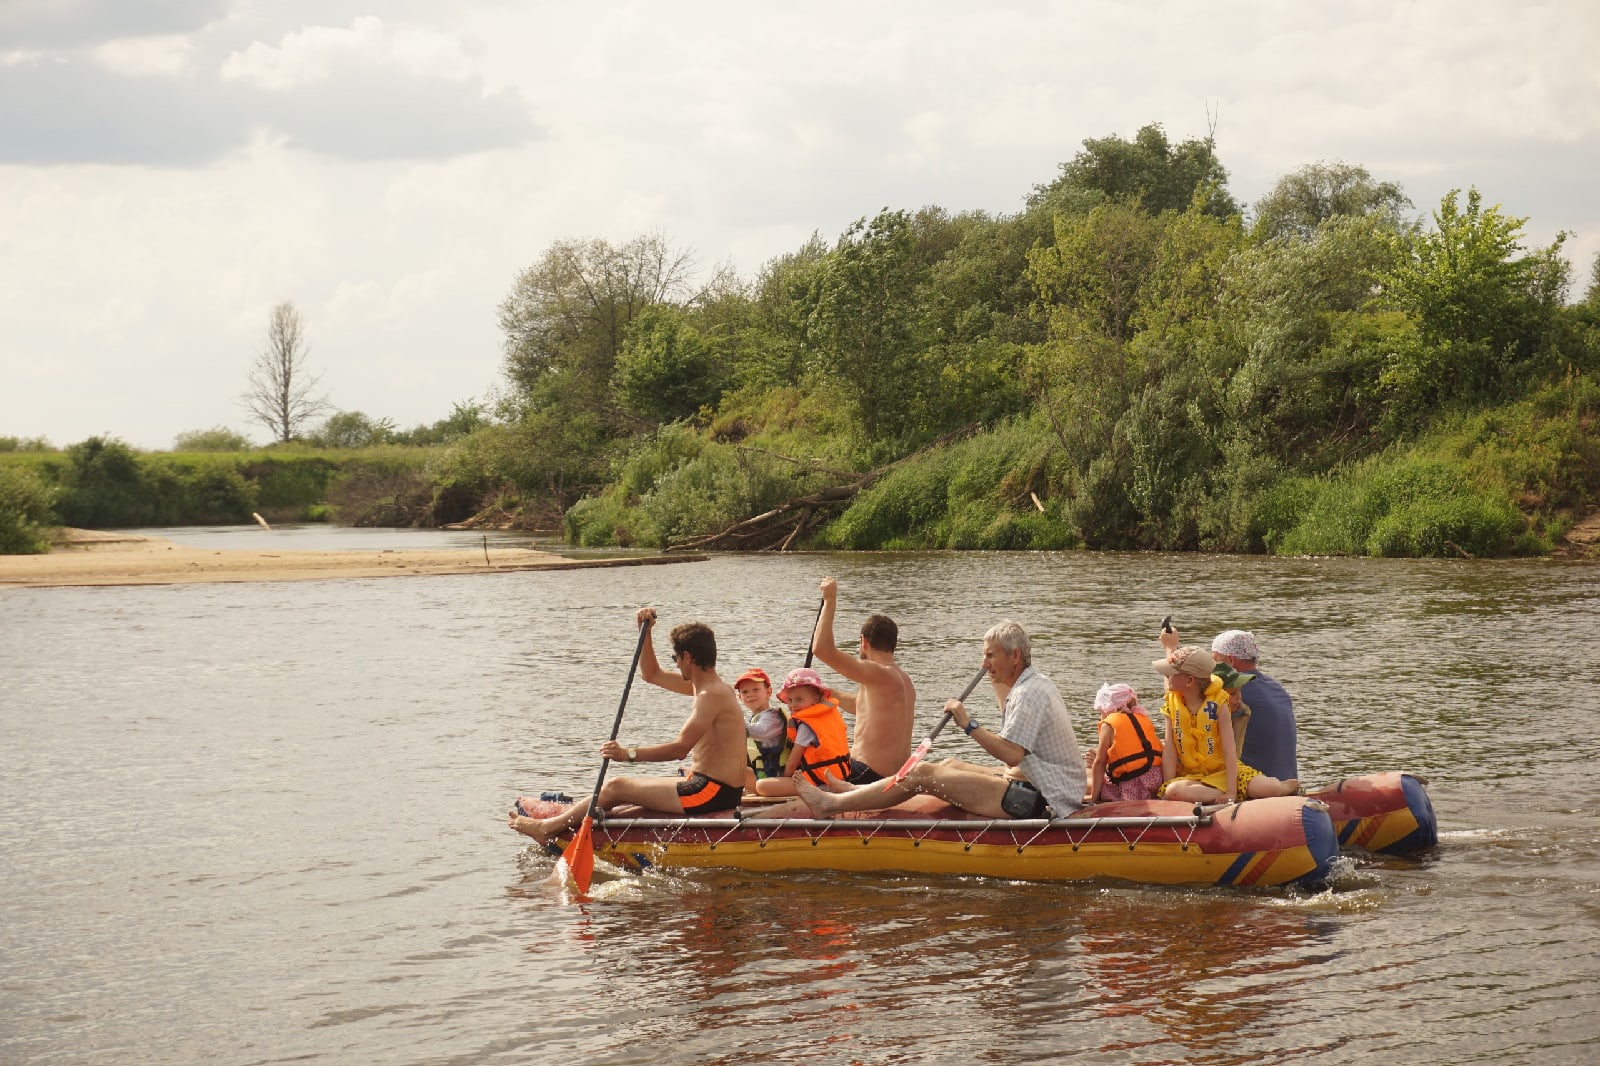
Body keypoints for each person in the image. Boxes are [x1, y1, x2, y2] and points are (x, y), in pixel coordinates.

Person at [778, 620, 1086, 822]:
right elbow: (1015, 743)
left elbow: (1011, 754)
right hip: (1039, 784)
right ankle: (851, 792)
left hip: (1042, 800)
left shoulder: (1028, 693)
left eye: (991, 656)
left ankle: (829, 804)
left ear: (1015, 656)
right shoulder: (1031, 683)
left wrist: (969, 725)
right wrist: (993, 676)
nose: (984, 663)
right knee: (951, 762)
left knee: (923, 772)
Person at [508, 608, 749, 843]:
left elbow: (679, 750)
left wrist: (627, 754)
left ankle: (547, 828)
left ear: (687, 657)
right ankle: (578, 815)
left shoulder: (710, 695)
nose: (675, 664)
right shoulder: (709, 687)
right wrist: (645, 633)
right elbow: (651, 674)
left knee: (616, 786)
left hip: (711, 792)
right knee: (625, 791)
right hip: (706, 785)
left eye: (675, 658)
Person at [1151, 644, 1298, 805]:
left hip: (1225, 772)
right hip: (1192, 778)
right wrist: (1167, 786)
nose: (1166, 676)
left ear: (1189, 680)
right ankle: (1216, 794)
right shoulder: (1172, 703)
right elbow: (1170, 751)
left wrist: (1231, 792)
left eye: (1171, 674)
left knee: (1269, 789)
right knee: (1174, 791)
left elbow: (1229, 751)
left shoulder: (1219, 704)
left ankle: (1284, 787)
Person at [808, 577, 917, 784]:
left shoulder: (878, 673)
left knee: (807, 765)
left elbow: (821, 650)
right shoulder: (903, 680)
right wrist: (826, 692)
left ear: (863, 641)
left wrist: (830, 600)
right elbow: (863, 708)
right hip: (892, 776)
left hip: (867, 774)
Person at [750, 667, 852, 797]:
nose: (793, 705)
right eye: (790, 700)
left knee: (762, 786)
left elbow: (792, 764)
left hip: (821, 784)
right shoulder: (828, 714)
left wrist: (783, 778)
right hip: (839, 776)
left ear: (815, 698)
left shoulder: (806, 725)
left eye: (799, 700)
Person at [1211, 629, 1298, 781]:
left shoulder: (1230, 690)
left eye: (1215, 660)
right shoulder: (1277, 688)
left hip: (1258, 786)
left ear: (1230, 660)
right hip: (1287, 779)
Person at [1083, 682, 1164, 804]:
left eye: (1101, 712)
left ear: (1109, 709)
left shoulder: (1109, 724)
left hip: (1133, 788)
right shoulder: (1142, 719)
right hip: (1155, 781)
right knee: (1088, 772)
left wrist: (1093, 797)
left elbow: (1099, 763)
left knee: (1080, 782)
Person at [734, 668, 790, 786]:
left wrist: (733, 720)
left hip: (776, 775)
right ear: (740, 697)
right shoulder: (754, 718)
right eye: (745, 692)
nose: (750, 695)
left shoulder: (773, 716)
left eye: (755, 690)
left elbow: (761, 732)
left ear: (768, 692)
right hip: (761, 774)